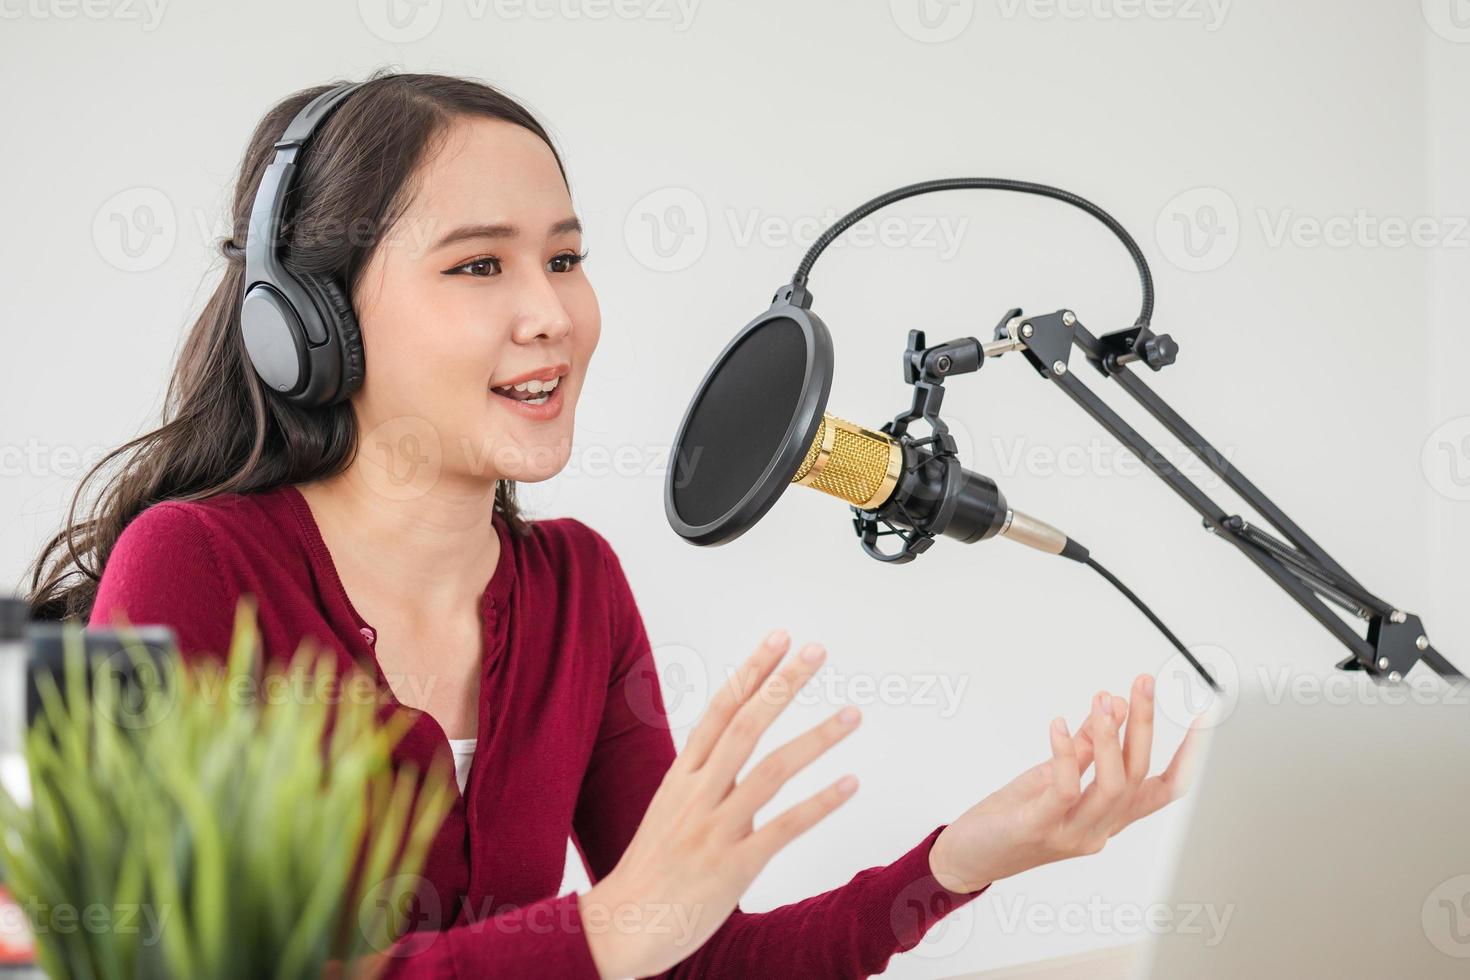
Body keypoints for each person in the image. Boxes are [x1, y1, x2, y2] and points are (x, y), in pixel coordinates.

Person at [27, 70, 1199, 979]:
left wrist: (965, 856)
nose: (552, 315)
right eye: (479, 265)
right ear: (314, 320)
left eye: (567, 258)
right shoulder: (192, 565)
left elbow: (695, 956)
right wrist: (606, 932)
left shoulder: (576, 585)